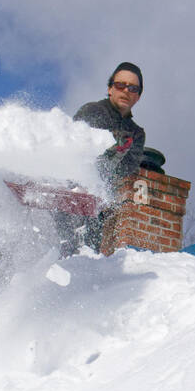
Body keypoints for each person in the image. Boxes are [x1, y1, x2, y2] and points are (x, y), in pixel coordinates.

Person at [56, 62, 147, 256]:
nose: (126, 91)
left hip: (96, 202)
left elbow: (127, 168)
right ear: (110, 88)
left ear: (138, 96)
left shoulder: (137, 133)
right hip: (70, 195)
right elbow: (79, 147)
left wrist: (116, 157)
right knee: (66, 251)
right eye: (120, 85)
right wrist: (112, 147)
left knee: (89, 253)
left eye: (133, 88)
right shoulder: (93, 111)